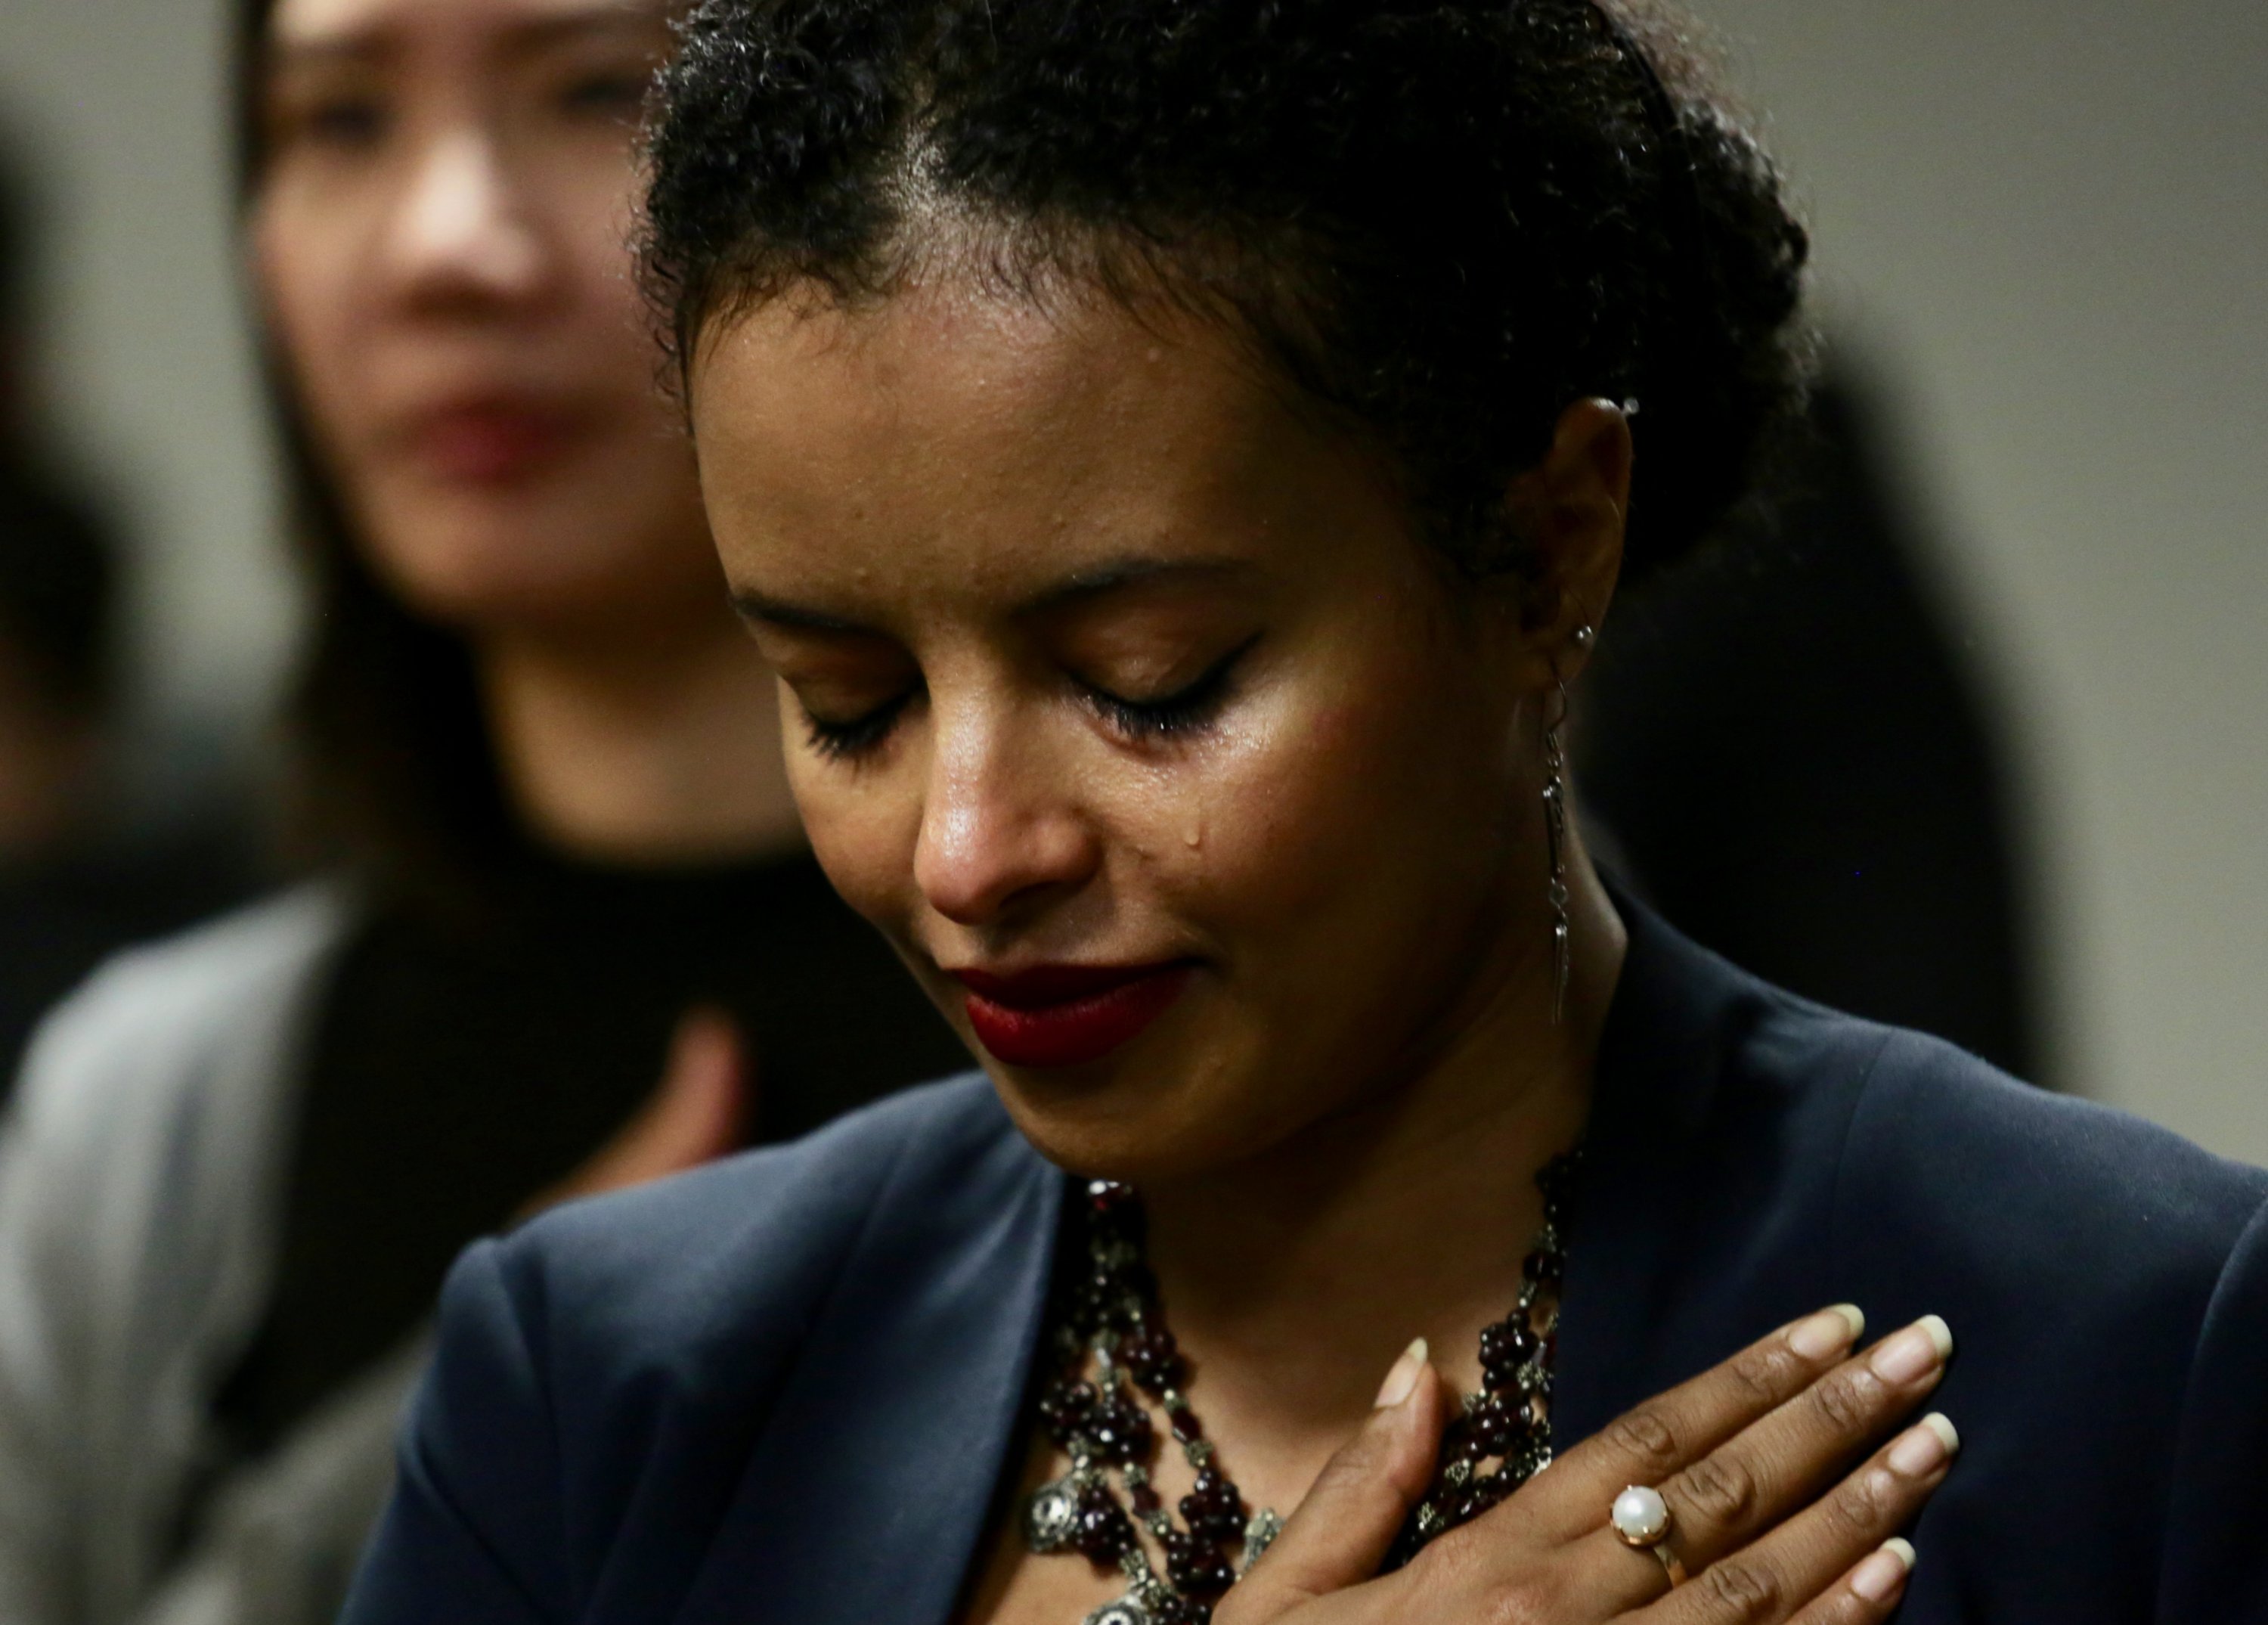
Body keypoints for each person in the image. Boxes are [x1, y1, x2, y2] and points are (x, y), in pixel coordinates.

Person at [345, 0, 2268, 1621]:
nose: (967, 850)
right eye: (849, 703)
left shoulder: (2136, 1352)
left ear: (1542, 548)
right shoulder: (602, 1395)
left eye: (1150, 678)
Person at [0, 1, 964, 1620]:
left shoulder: (1136, 977)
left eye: (595, 91)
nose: (450, 245)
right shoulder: (149, 1115)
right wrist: (483, 1405)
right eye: (340, 121)